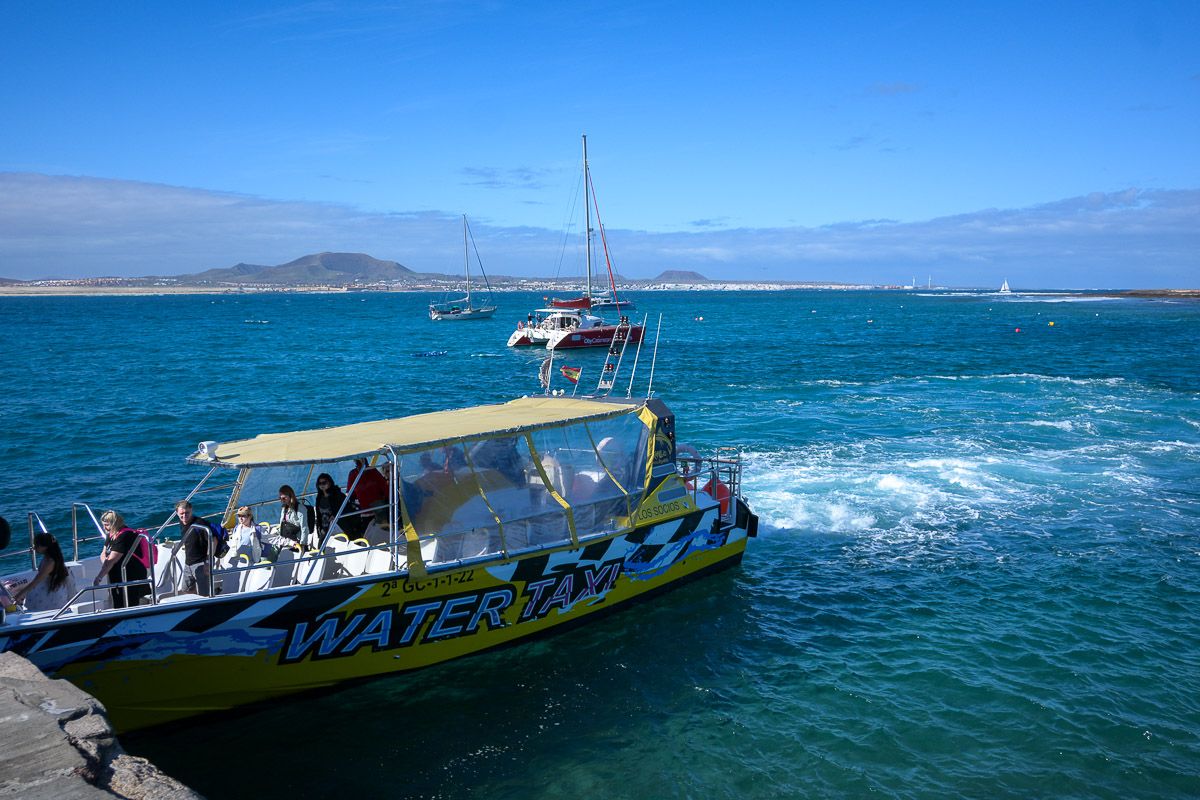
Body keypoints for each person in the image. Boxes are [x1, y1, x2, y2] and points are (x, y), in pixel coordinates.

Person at [93, 510, 151, 608]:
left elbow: (112, 560)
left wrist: (99, 577)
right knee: (118, 603)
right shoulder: (111, 534)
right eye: (103, 525)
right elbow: (103, 553)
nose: (104, 528)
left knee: (131, 604)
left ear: (114, 523)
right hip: (117, 576)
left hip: (131, 575)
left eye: (107, 525)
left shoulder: (124, 536)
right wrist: (105, 564)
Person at [7, 532, 76, 612]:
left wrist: (19, 595)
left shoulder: (50, 562)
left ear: (45, 547)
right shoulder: (48, 557)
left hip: (50, 596)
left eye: (36, 545)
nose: (34, 547)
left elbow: (37, 580)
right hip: (49, 589)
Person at [177, 500, 217, 596]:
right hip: (188, 563)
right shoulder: (182, 522)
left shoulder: (200, 523)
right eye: (181, 513)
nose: (184, 516)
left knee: (204, 593)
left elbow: (214, 540)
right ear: (177, 513)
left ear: (191, 510)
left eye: (187, 513)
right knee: (186, 589)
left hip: (201, 563)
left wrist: (208, 562)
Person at [347, 458, 388, 529]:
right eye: (358, 461)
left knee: (382, 529)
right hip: (364, 509)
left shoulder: (372, 471)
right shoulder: (353, 474)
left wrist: (387, 499)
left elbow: (384, 487)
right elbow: (350, 492)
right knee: (368, 530)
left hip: (377, 507)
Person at [313, 472, 353, 540]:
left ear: (329, 482)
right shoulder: (319, 497)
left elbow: (347, 509)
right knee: (321, 545)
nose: (322, 485)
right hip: (324, 528)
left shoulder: (338, 495)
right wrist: (319, 529)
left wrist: (335, 515)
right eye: (320, 483)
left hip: (338, 527)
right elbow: (319, 515)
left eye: (324, 482)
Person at [278, 485, 313, 549]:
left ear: (290, 496)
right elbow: (281, 525)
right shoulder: (284, 508)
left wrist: (303, 544)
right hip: (286, 541)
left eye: (284, 498)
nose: (282, 500)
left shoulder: (300, 508)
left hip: (297, 542)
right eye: (280, 498)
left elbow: (304, 527)